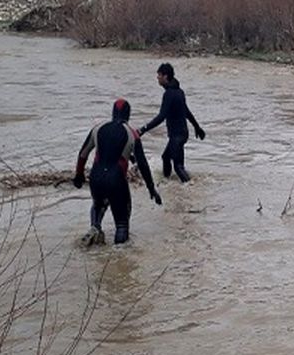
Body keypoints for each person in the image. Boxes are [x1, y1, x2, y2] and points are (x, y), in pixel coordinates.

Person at [74, 98, 161, 246]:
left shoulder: (98, 128)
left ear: (113, 113)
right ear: (128, 115)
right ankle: (119, 253)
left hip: (96, 177)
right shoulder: (132, 134)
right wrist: (151, 188)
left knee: (98, 204)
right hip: (116, 180)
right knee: (122, 222)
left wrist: (79, 175)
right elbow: (143, 165)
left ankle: (95, 227)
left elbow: (83, 154)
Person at [138, 63, 206, 182]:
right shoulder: (179, 91)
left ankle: (191, 187)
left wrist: (143, 129)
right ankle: (167, 182)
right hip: (181, 134)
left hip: (177, 136)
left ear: (165, 76)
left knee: (178, 166)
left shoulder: (169, 94)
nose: (157, 78)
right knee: (165, 157)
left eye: (159, 75)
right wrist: (197, 127)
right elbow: (186, 111)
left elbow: (161, 117)